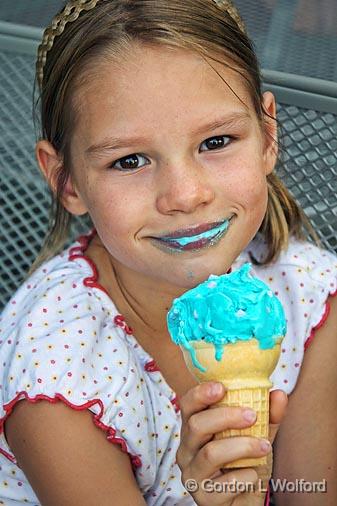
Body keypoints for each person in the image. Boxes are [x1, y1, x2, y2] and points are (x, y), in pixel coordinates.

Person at [0, 0, 336, 504]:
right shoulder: (60, 377)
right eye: (130, 160)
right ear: (65, 179)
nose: (184, 195)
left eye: (217, 140)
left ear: (267, 136)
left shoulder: (311, 297)